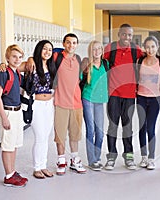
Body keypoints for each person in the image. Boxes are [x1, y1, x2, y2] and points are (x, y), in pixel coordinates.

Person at [27, 33, 86, 175]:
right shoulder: (56, 57)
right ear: (63, 44)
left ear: (77, 45)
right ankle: (61, 160)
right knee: (59, 134)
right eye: (68, 42)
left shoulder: (78, 60)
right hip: (60, 102)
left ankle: (74, 159)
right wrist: (30, 58)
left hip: (77, 103)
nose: (71, 45)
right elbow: (40, 55)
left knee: (74, 134)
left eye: (74, 43)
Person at [103, 24, 143, 170]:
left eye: (130, 35)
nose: (127, 37)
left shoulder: (135, 50)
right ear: (119, 34)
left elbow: (150, 55)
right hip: (113, 94)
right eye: (124, 34)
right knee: (113, 126)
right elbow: (97, 57)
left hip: (130, 94)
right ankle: (111, 157)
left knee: (128, 126)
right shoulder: (110, 48)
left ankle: (129, 156)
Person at [0, 44, 28, 187]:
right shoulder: (3, 73)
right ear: (7, 58)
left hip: (17, 111)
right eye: (14, 56)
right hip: (7, 112)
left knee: (14, 145)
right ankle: (8, 176)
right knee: (7, 145)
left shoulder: (17, 73)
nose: (17, 59)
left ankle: (12, 172)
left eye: (20, 57)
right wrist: (4, 117)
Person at [136, 36, 160, 170]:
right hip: (141, 97)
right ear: (144, 48)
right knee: (142, 127)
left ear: (157, 47)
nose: (150, 49)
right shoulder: (140, 61)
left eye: (153, 46)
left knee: (150, 128)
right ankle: (143, 157)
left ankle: (151, 158)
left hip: (154, 99)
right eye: (147, 47)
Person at [30, 40, 56, 179]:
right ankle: (36, 168)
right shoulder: (32, 64)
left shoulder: (51, 66)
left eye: (50, 50)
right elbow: (14, 67)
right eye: (44, 49)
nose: (47, 52)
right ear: (39, 49)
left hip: (49, 105)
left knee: (45, 137)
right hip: (37, 105)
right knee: (40, 137)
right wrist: (3, 65)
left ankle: (43, 165)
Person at [81, 40, 109, 171]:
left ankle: (97, 158)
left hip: (100, 101)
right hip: (88, 99)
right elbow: (79, 80)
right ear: (90, 51)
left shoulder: (105, 64)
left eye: (99, 49)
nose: (97, 51)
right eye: (94, 49)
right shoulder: (87, 65)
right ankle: (92, 160)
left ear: (102, 51)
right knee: (91, 130)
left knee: (100, 132)